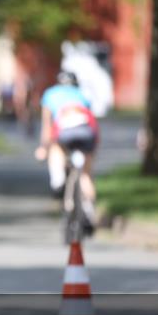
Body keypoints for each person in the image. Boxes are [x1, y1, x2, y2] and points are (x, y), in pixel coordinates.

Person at [35, 70, 99, 227]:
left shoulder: (50, 94)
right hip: (86, 133)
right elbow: (92, 122)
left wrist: (43, 147)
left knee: (56, 148)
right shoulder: (83, 95)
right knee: (85, 175)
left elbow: (47, 127)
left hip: (64, 132)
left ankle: (58, 180)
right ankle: (89, 211)